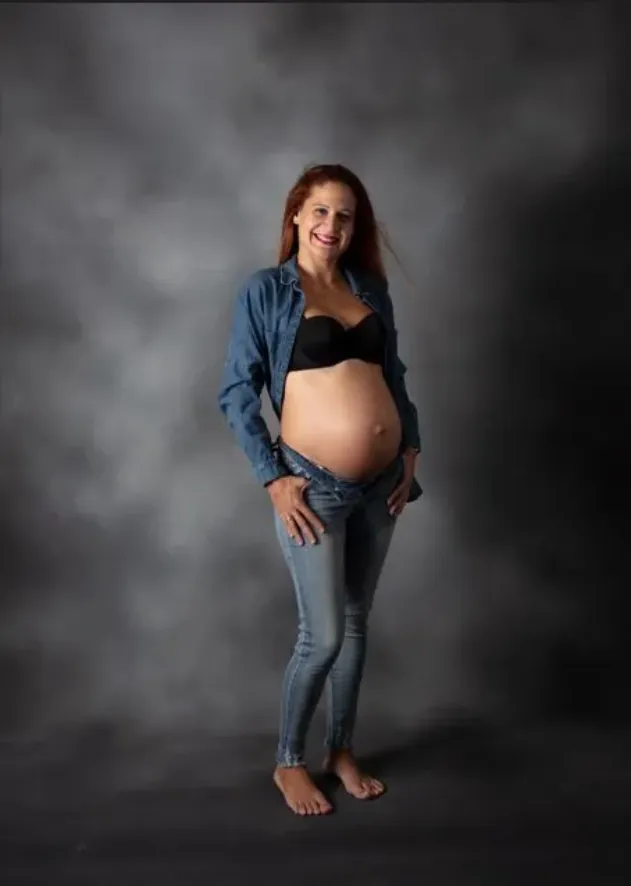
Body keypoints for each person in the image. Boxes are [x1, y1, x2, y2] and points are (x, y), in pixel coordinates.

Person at [218, 163, 422, 816]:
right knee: (324, 636)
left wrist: (409, 448)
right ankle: (288, 762)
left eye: (345, 215)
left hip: (381, 486)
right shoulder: (268, 291)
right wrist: (273, 478)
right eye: (321, 211)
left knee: (357, 624)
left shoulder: (369, 290)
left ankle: (340, 750)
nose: (332, 225)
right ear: (297, 216)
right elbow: (236, 392)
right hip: (315, 486)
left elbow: (393, 375)